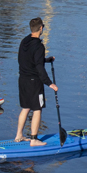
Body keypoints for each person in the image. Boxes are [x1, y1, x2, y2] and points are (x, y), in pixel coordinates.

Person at [16, 17, 57, 146]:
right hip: (34, 82)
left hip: (23, 79)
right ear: (41, 28)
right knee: (37, 109)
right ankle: (33, 139)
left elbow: (26, 59)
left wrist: (45, 60)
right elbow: (39, 68)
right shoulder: (39, 46)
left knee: (26, 108)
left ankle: (19, 136)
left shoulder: (24, 41)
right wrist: (50, 83)